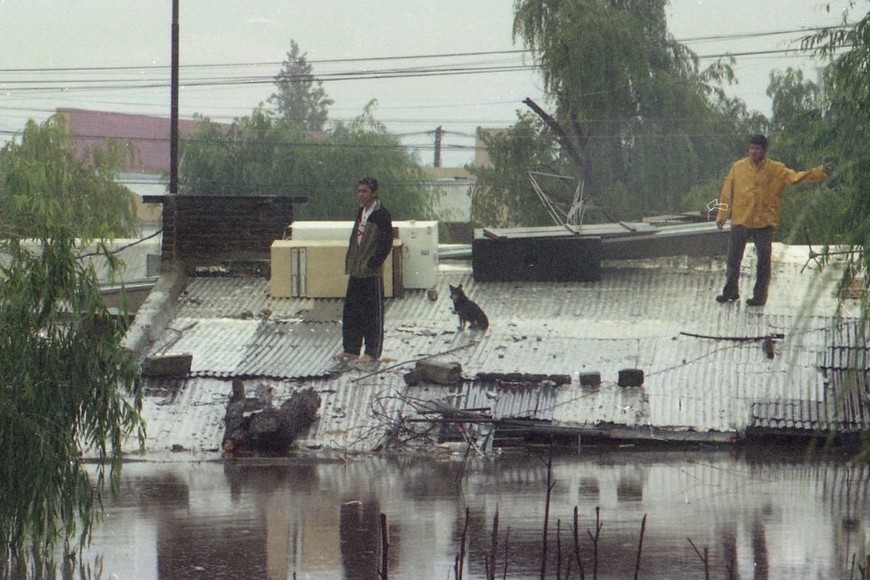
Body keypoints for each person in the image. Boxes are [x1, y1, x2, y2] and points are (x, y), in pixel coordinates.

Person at [715, 134, 831, 306]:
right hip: (741, 219)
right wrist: (722, 216)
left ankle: (759, 297)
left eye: (757, 148)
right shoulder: (738, 168)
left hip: (764, 222)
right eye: (751, 148)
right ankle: (730, 291)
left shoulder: (776, 169)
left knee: (763, 262)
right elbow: (726, 193)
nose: (753, 152)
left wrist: (821, 172)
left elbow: (796, 177)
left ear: (764, 150)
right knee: (733, 259)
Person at [337, 177, 393, 364]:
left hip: (371, 272)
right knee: (352, 311)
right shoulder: (362, 212)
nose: (361, 195)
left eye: (365, 191)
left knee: (372, 314)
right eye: (359, 191)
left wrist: (373, 263)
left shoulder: (382, 215)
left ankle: (372, 351)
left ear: (374, 193)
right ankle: (351, 349)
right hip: (357, 269)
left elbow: (386, 244)